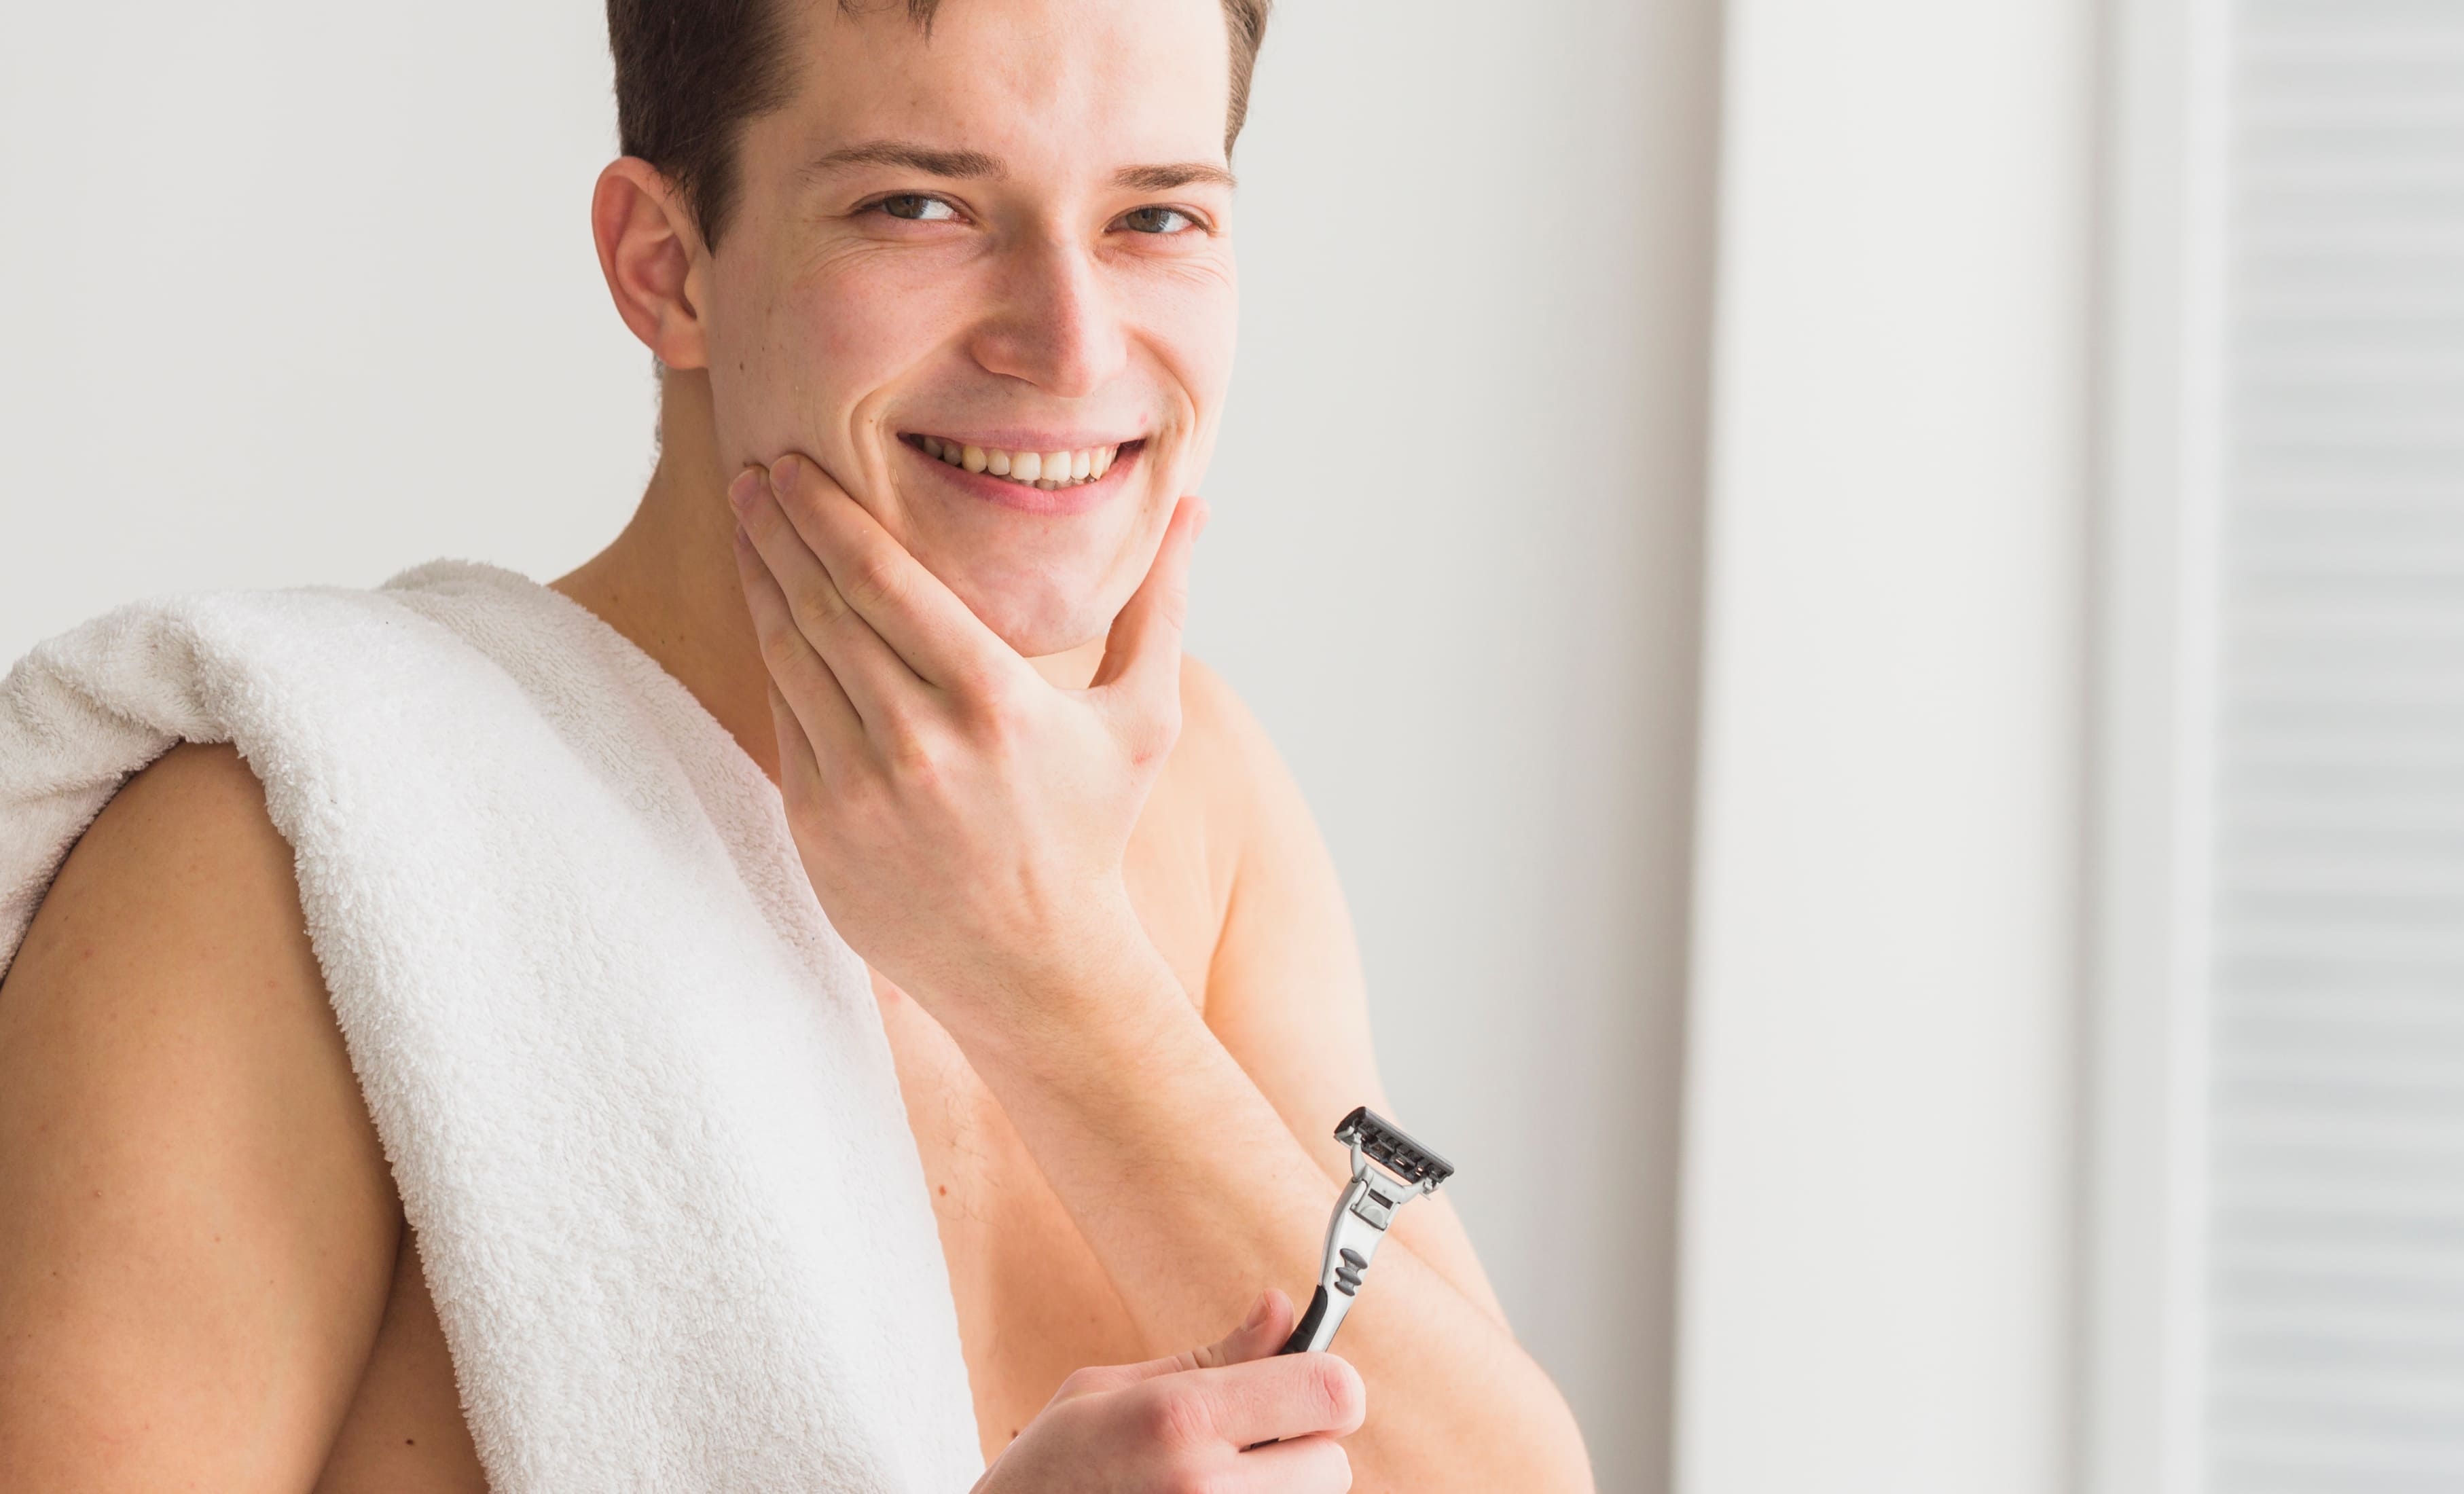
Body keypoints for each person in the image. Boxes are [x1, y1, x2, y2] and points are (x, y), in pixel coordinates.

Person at [0, 1, 1595, 1489]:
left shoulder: (1204, 805)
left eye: (1156, 215)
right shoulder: (283, 858)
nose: (1070, 338)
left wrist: (1045, 968)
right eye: (921, 205)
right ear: (666, 265)